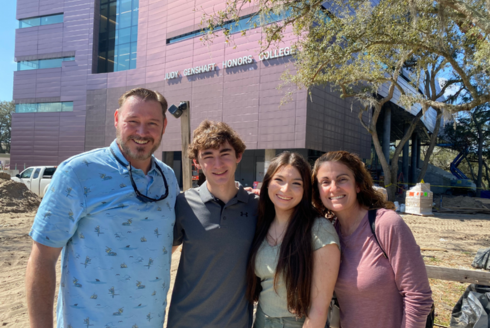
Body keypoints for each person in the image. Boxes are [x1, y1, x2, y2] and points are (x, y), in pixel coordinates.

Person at [25, 88, 180, 328]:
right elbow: (43, 258)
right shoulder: (78, 172)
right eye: (133, 121)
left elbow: (160, 244)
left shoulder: (168, 178)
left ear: (164, 125)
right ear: (117, 119)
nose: (142, 132)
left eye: (152, 123)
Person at [311, 151, 433, 328]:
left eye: (342, 179)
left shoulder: (386, 224)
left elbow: (418, 296)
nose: (333, 187)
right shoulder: (328, 234)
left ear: (358, 185)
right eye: (325, 182)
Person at [168, 120, 259, 328]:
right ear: (197, 163)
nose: (217, 164)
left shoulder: (258, 207)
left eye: (225, 154)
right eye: (208, 156)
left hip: (236, 323)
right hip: (185, 321)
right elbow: (160, 258)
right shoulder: (183, 204)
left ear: (238, 156)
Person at [247, 152, 340, 328]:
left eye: (296, 183)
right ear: (267, 183)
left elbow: (319, 310)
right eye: (279, 180)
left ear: (306, 190)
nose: (285, 189)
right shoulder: (261, 223)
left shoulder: (318, 230)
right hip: (261, 320)